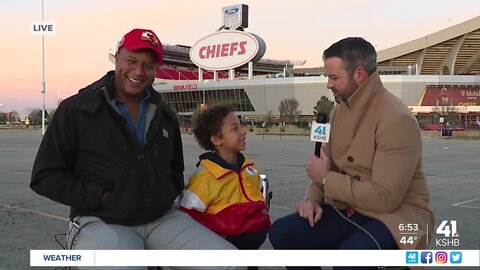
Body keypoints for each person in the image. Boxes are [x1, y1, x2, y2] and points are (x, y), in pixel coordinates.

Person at [30, 28, 243, 270]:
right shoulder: (77, 110)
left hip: (161, 219)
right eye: (131, 61)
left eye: (148, 65)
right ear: (117, 58)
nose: (139, 71)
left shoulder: (165, 115)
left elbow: (175, 171)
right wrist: (100, 197)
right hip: (102, 220)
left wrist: (162, 195)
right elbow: (44, 177)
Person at [268, 37, 434, 269]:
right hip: (347, 207)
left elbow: (385, 198)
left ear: (359, 74)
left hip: (395, 217)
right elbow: (323, 166)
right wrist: (312, 200)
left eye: (334, 77)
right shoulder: (336, 113)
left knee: (347, 261)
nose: (328, 84)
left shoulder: (396, 119)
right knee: (283, 232)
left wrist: (327, 179)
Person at [179, 104, 271, 255]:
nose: (243, 132)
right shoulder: (205, 177)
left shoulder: (250, 168)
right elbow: (188, 216)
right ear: (216, 139)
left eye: (241, 126)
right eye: (235, 129)